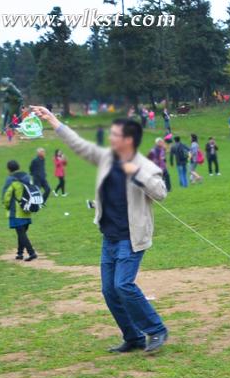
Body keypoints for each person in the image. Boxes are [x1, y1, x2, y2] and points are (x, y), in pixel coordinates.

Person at [31, 105, 170, 352]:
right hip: (110, 237)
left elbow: (161, 193)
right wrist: (52, 120)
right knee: (109, 290)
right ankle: (133, 337)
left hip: (131, 238)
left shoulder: (144, 165)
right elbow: (78, 144)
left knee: (123, 285)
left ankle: (156, 329)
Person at [2, 160, 37, 261]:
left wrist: (6, 206)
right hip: (27, 209)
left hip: (16, 211)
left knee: (21, 233)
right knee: (22, 233)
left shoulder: (10, 179)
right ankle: (20, 253)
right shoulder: (26, 176)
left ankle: (31, 253)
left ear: (9, 169)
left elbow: (7, 196)